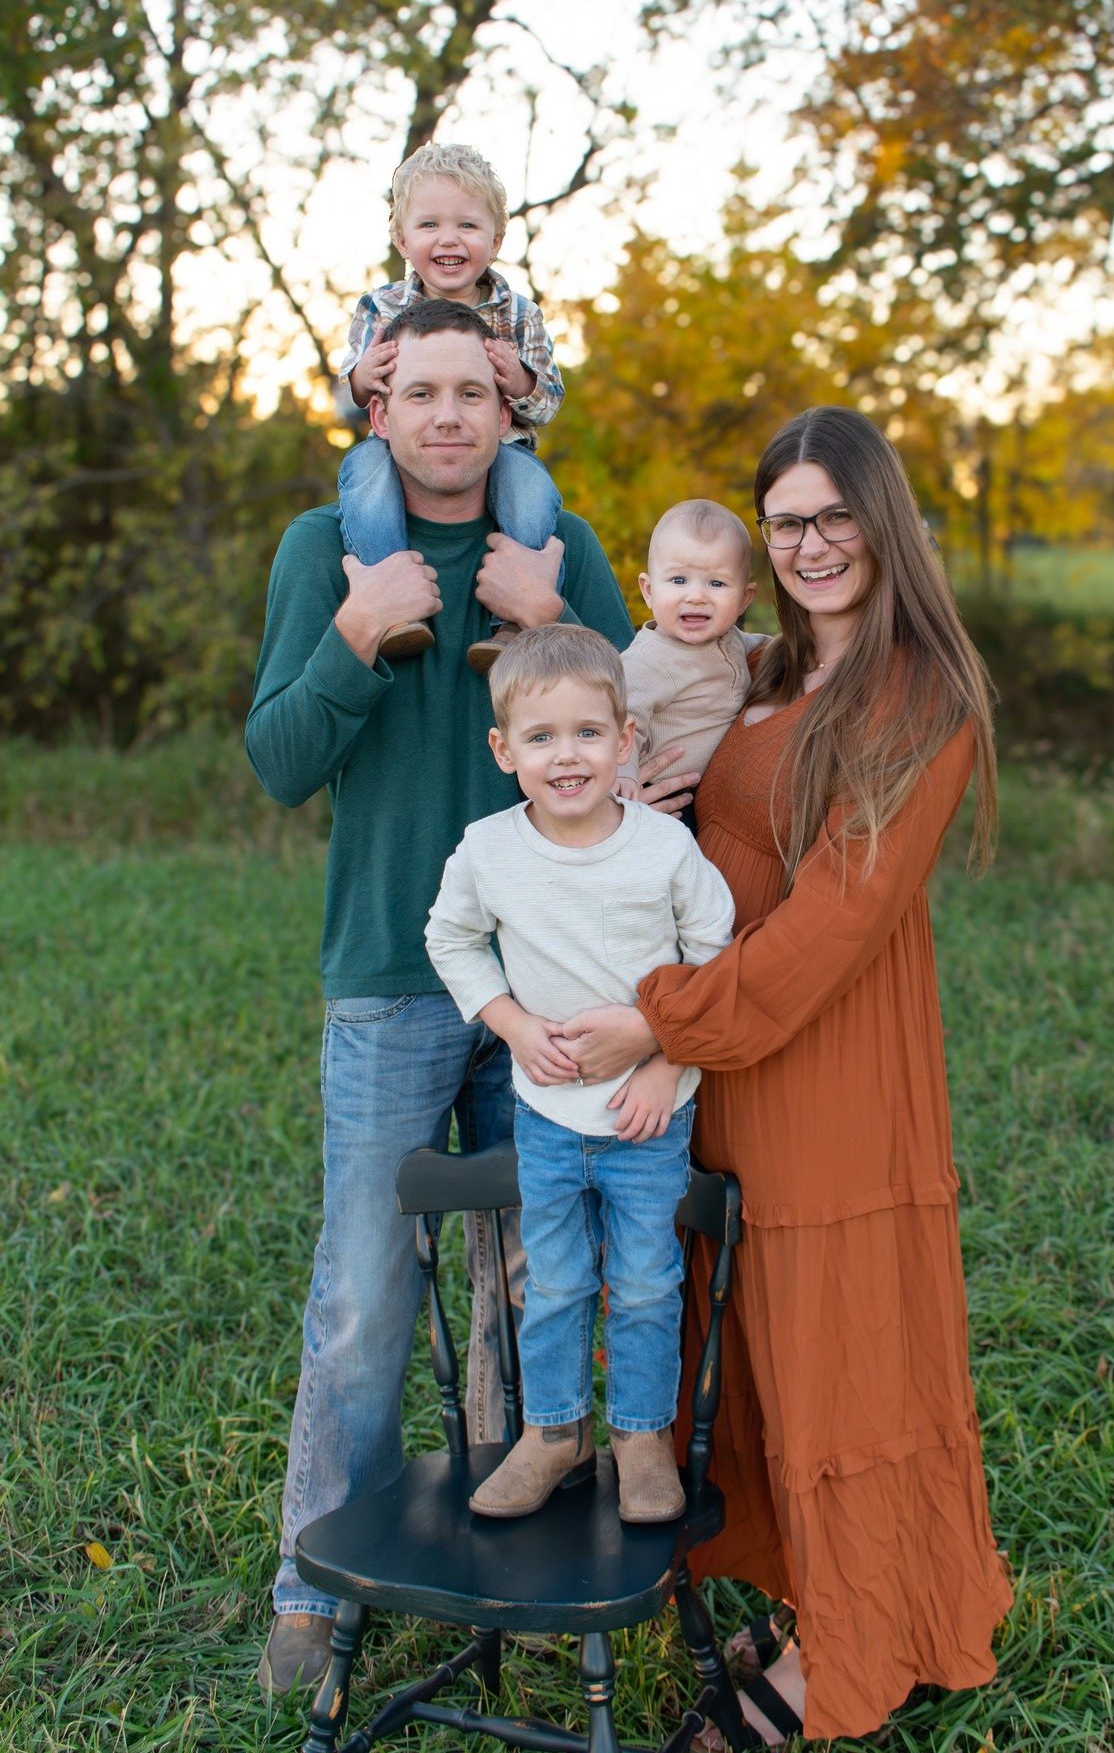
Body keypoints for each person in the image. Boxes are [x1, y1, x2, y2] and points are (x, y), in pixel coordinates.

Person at [553, 407, 1015, 1742]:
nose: (810, 543)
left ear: (885, 523)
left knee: (842, 1360)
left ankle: (860, 1641)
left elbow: (827, 928)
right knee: (753, 1349)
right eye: (787, 521)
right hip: (727, 1063)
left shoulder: (918, 693)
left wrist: (659, 1019)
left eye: (833, 516)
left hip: (822, 1065)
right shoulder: (758, 669)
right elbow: (634, 690)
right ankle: (829, 1591)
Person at [245, 296, 635, 1698]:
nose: (451, 417)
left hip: (551, 993)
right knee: (359, 1292)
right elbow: (281, 763)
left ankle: (514, 1559)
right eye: (422, 393)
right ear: (380, 407)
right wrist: (356, 637)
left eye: (477, 391)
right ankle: (314, 1580)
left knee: (533, 1287)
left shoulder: (556, 550)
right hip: (391, 984)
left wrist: (560, 621)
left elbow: (634, 751)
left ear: (510, 407)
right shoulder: (324, 551)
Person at [425, 624, 735, 1524]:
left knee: (644, 1283)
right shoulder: (489, 849)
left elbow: (715, 961)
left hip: (650, 1115)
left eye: (588, 734)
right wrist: (511, 1023)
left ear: (625, 739)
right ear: (504, 750)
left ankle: (640, 1438)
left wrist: (665, 1058)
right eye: (542, 737)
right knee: (555, 1283)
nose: (567, 756)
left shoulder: (663, 849)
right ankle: (553, 1432)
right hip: (549, 1115)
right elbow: (449, 938)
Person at [333, 141, 565, 669]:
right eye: (430, 225)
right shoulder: (381, 308)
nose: (448, 239)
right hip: (394, 452)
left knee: (531, 493)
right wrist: (362, 379)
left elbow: (549, 401)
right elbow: (351, 396)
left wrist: (522, 380)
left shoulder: (520, 315)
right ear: (402, 239)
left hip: (499, 453)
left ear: (495, 239)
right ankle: (392, 602)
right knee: (363, 481)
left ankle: (511, 622)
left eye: (466, 225)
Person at [617, 500, 768, 813]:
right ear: (648, 591)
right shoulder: (647, 661)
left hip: (713, 789)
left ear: (744, 599)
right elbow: (620, 722)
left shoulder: (733, 641)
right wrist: (624, 776)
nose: (696, 596)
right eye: (678, 580)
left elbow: (763, 647)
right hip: (666, 796)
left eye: (716, 583)